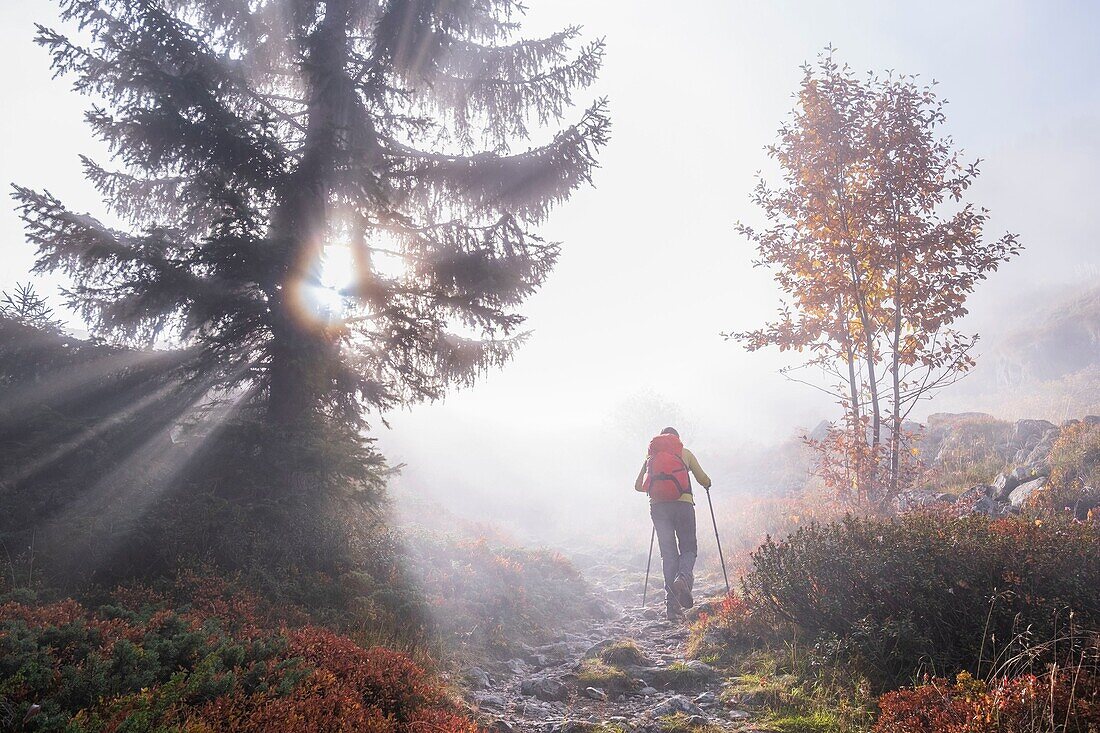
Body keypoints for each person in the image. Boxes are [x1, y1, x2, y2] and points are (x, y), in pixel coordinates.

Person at [635, 427, 711, 620]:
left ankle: (672, 607)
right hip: (683, 506)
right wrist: (707, 483)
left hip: (659, 509)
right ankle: (684, 578)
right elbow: (703, 479)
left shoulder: (650, 456)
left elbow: (637, 486)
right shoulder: (685, 453)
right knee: (688, 548)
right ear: (677, 439)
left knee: (668, 555)